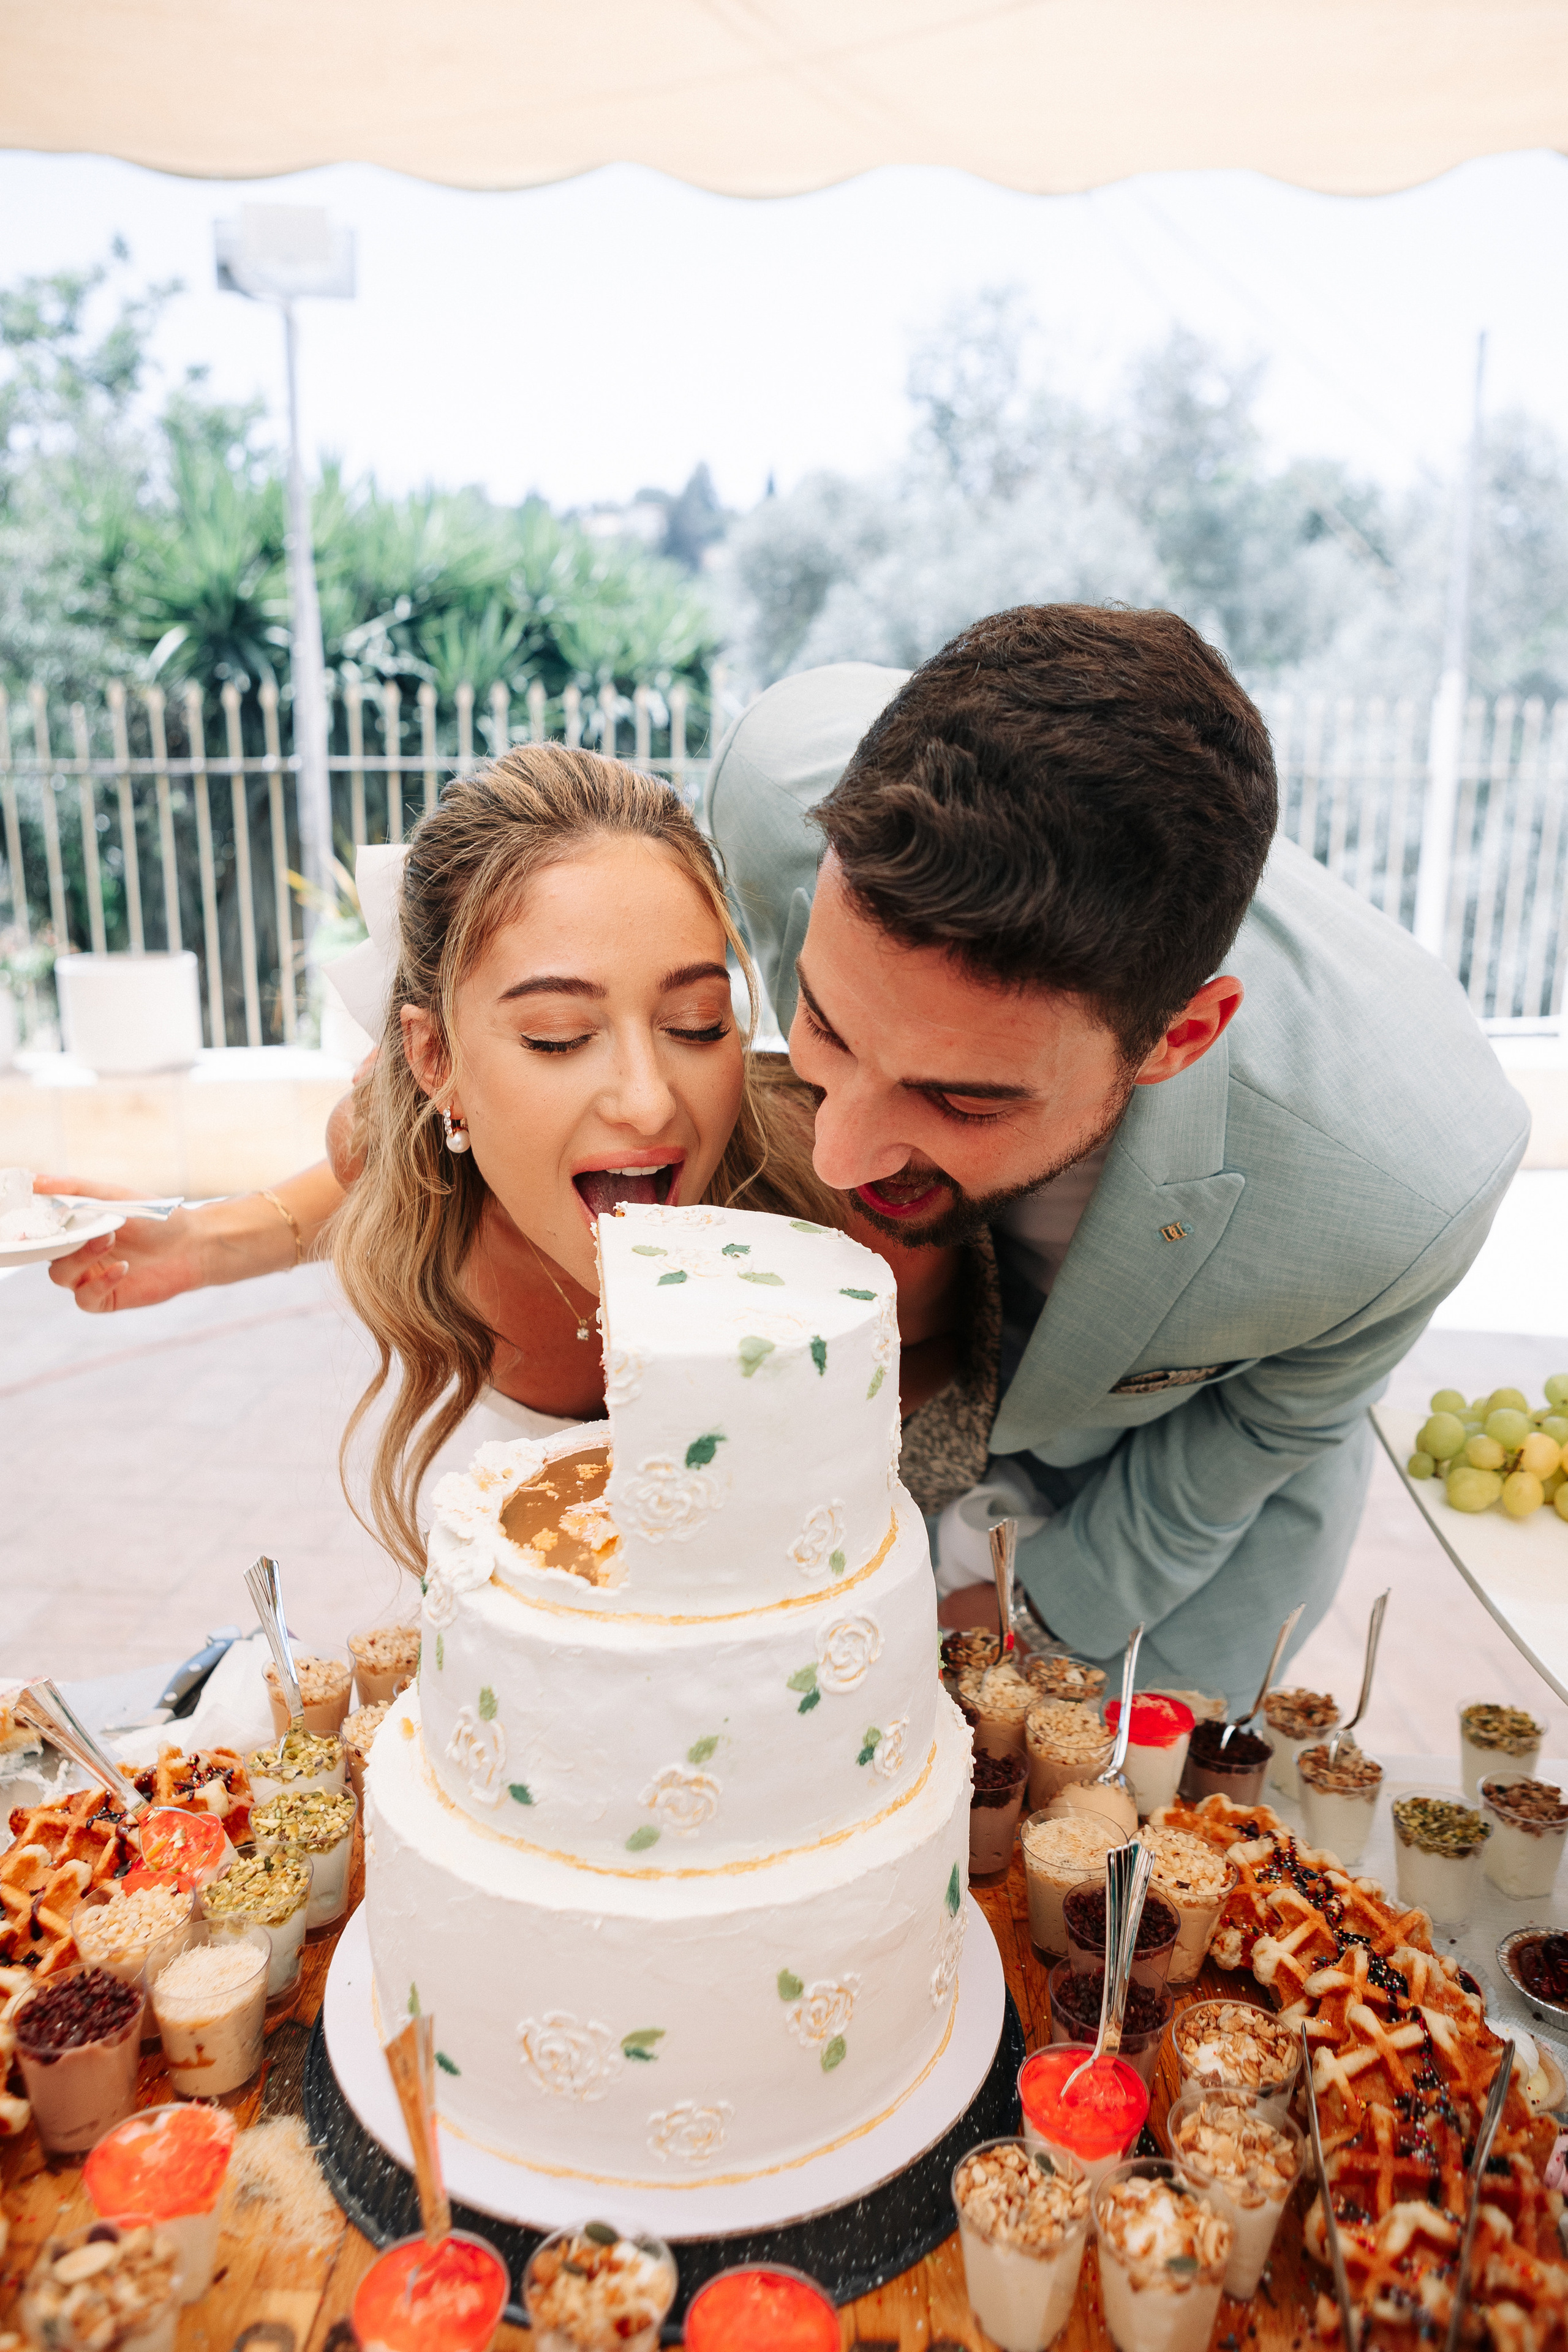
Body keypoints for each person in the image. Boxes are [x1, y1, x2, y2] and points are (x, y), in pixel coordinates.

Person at [707, 606, 1529, 1704]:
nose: (843, 1154)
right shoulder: (775, 800)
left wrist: (1031, 1617)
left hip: (1177, 1524)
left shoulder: (1411, 1183)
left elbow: (1256, 1428)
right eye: (829, 1024)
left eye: (965, 1097)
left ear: (1180, 1038)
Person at [41, 742, 984, 1575]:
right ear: (436, 1061)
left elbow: (976, 1363)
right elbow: (349, 1187)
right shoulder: (396, 1154)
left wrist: (812, 1440)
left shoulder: (854, 1215)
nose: (650, 1099)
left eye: (697, 1023)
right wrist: (205, 1243)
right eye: (558, 1035)